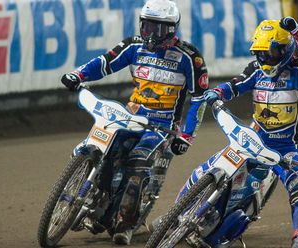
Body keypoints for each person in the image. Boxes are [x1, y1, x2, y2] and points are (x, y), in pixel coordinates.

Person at [61, 0, 209, 245]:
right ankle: (95, 194)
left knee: (137, 164)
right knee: (103, 148)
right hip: (130, 116)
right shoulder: (133, 45)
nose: (151, 34)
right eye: (147, 26)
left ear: (172, 29)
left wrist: (187, 136)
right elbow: (105, 63)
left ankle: (125, 224)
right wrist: (78, 75)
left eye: (158, 29)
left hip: (161, 126)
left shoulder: (189, 57)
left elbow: (200, 99)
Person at [188, 17, 298, 248]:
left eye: (270, 54)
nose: (264, 59)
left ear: (286, 49)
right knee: (208, 169)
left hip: (286, 148)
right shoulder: (256, 70)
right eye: (260, 54)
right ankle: (180, 211)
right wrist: (217, 93)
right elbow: (235, 85)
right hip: (252, 138)